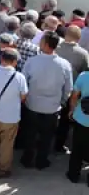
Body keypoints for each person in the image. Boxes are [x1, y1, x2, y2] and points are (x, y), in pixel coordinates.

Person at [21, 31, 73, 169]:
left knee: (30, 134)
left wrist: (25, 99)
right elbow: (68, 88)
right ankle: (41, 161)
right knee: (47, 137)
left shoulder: (32, 61)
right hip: (52, 108)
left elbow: (23, 83)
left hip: (32, 105)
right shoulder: (64, 64)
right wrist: (62, 101)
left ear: (45, 44)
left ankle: (27, 159)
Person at [0, 49, 28, 178]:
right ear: (15, 62)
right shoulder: (19, 77)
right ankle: (1, 170)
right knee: (6, 145)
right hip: (11, 117)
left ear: (1, 58)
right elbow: (23, 97)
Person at [54, 25, 89, 153]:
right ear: (79, 38)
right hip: (71, 91)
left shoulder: (55, 48)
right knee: (65, 120)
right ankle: (59, 145)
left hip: (53, 88)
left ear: (65, 35)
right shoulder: (82, 54)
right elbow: (85, 72)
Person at [66, 68, 89, 184]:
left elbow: (74, 95)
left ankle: (73, 175)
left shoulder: (84, 76)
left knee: (77, 148)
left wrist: (71, 110)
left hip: (82, 117)